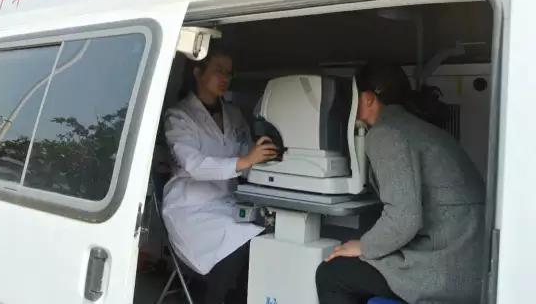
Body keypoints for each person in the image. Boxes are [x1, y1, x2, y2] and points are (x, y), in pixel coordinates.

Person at [316, 63, 485, 304]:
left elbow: (404, 219)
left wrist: (363, 246)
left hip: (442, 272)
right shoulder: (420, 128)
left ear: (367, 99)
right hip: (471, 268)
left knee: (331, 274)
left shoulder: (386, 133)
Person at [162, 47, 278, 304]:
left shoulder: (234, 115)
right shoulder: (179, 116)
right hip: (191, 211)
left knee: (265, 234)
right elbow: (193, 165)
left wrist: (267, 162)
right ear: (197, 72)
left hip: (226, 203)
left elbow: (247, 153)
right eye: (218, 71)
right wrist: (245, 160)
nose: (225, 78)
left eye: (229, 73)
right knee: (238, 247)